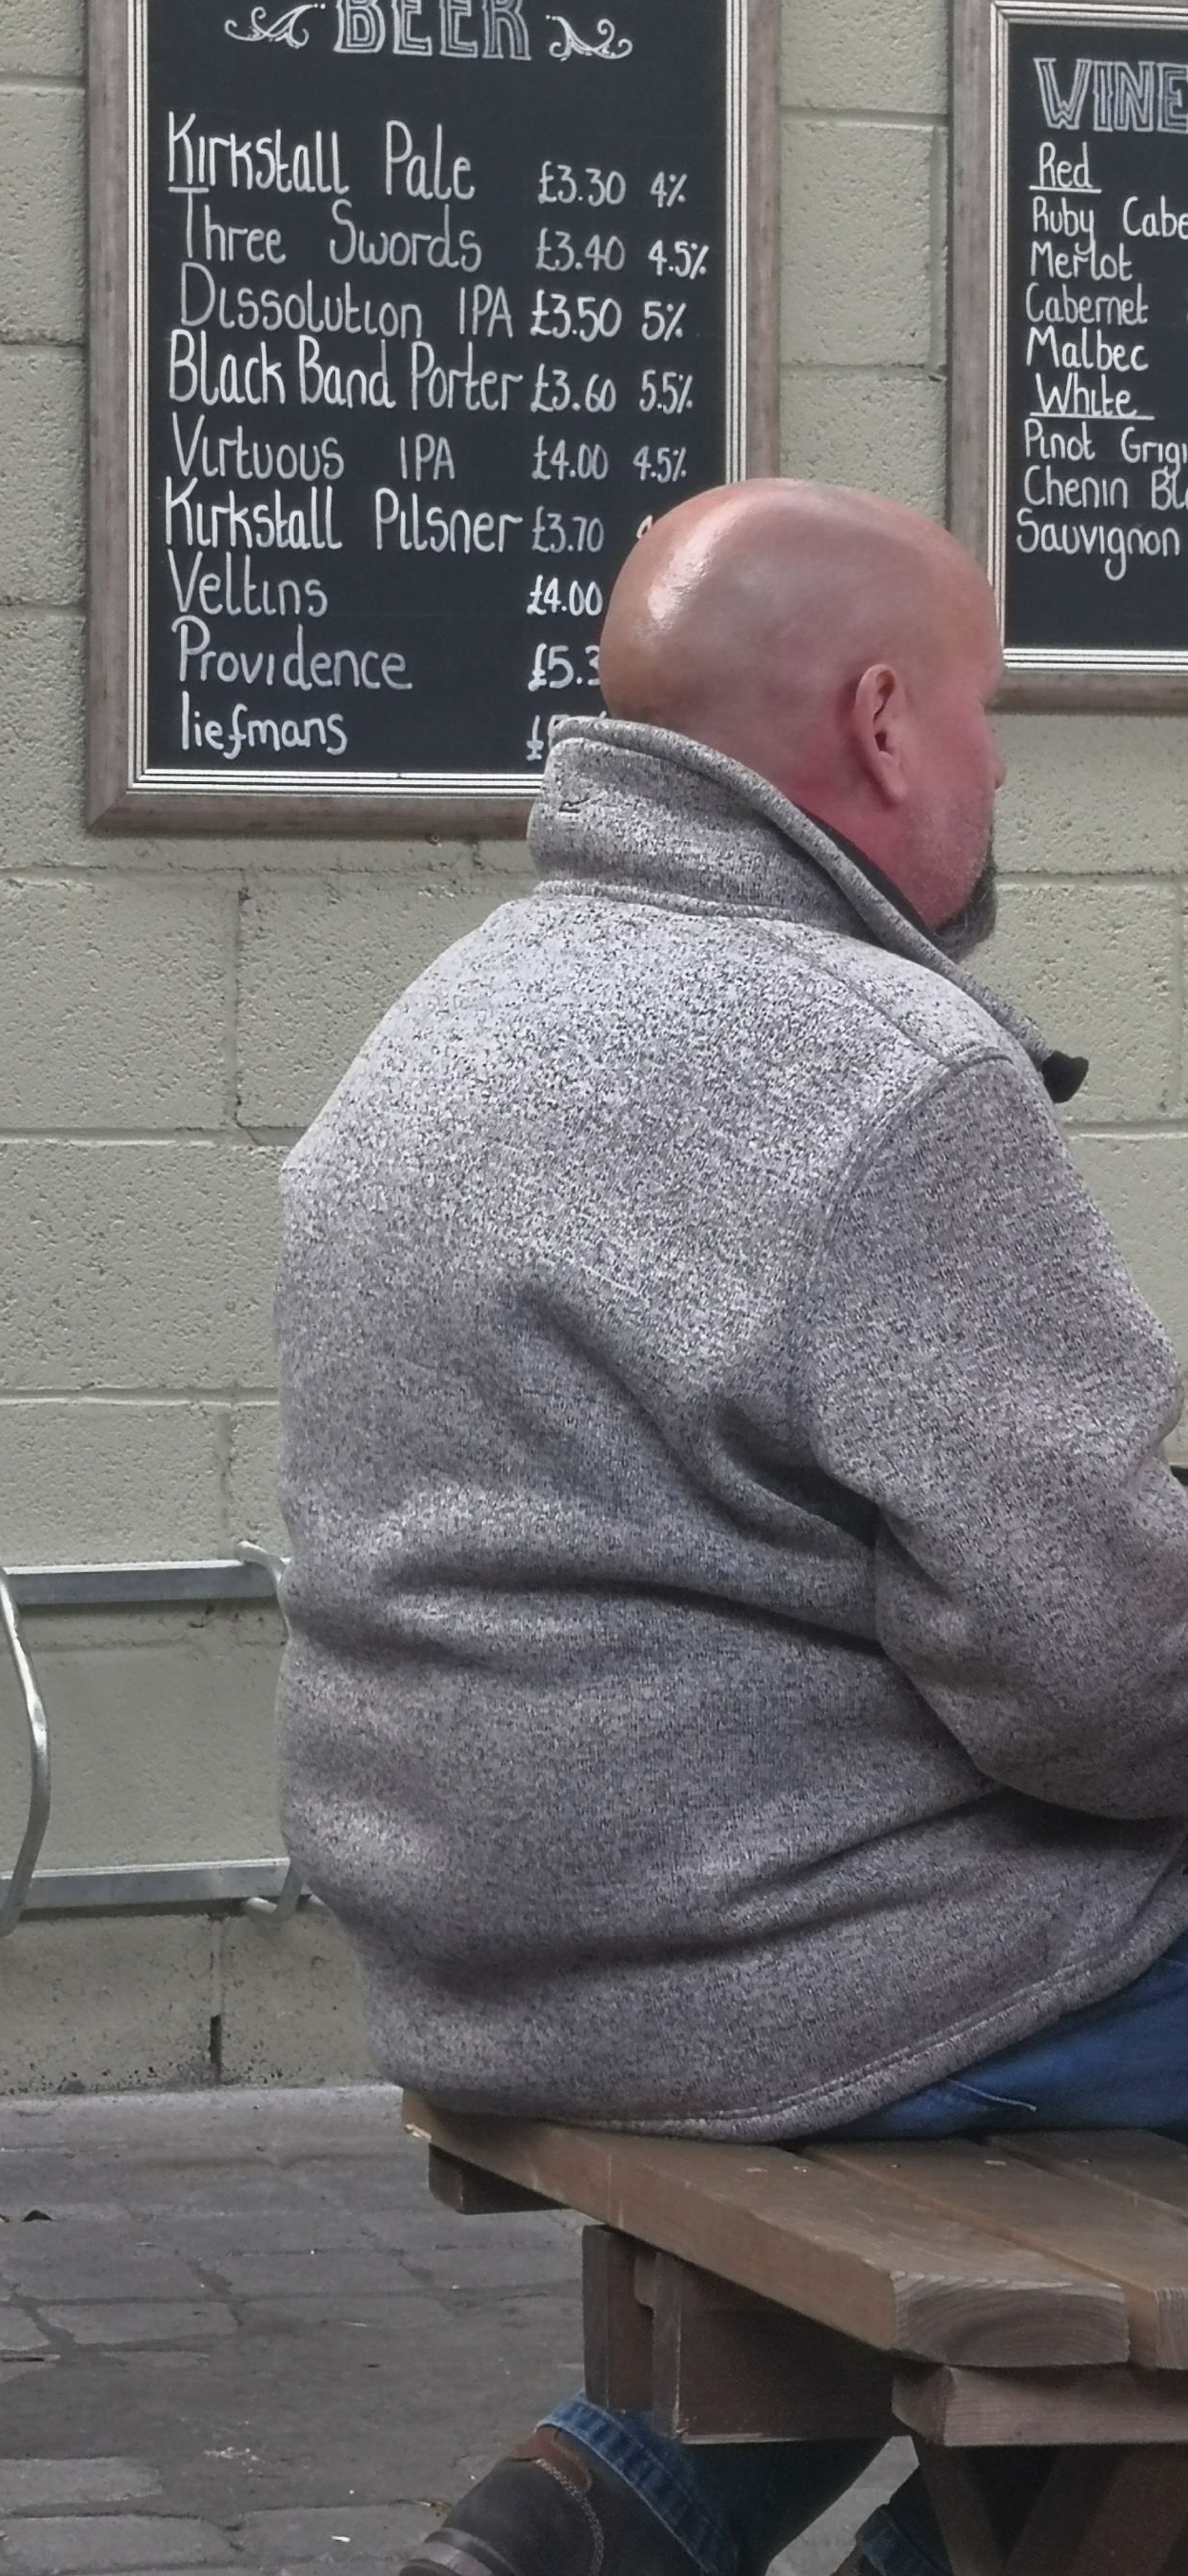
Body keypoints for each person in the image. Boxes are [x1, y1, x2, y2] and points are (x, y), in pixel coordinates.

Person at [273, 479, 1188, 2576]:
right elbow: (1100, 1687)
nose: (995, 774)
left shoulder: (456, 1010)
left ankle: (599, 2514)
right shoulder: (882, 1069)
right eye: (985, 719)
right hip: (779, 1960)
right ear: (883, 724)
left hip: (496, 1940)